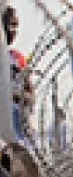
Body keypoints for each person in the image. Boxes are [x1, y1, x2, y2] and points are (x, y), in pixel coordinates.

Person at [3, 6, 32, 143]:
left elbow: (29, 93)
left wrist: (17, 96)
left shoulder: (17, 58)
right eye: (11, 24)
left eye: (16, 25)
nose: (14, 30)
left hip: (18, 131)